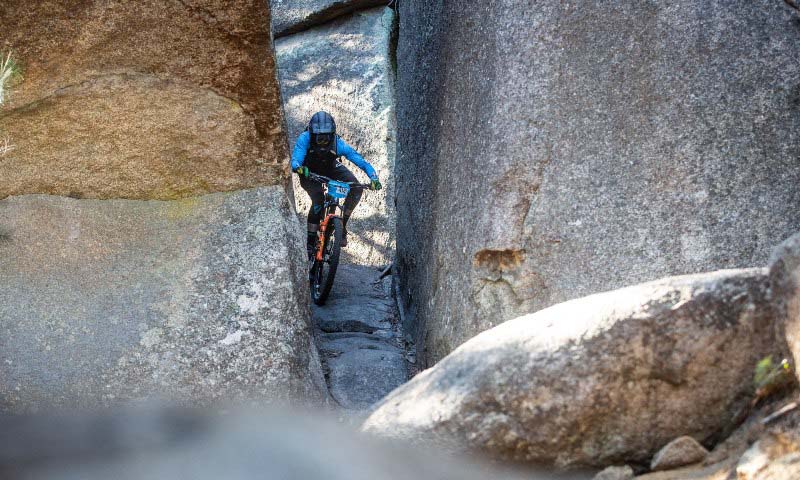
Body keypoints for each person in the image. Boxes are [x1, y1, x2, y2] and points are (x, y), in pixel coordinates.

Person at [291, 111, 381, 254]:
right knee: (318, 199)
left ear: (332, 135)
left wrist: (374, 178)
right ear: (312, 134)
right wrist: (299, 168)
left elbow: (361, 162)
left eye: (326, 137)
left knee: (356, 188)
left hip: (329, 167)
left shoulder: (338, 143)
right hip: (309, 172)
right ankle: (310, 242)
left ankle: (342, 226)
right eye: (319, 138)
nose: (323, 141)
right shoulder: (304, 138)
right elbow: (296, 159)